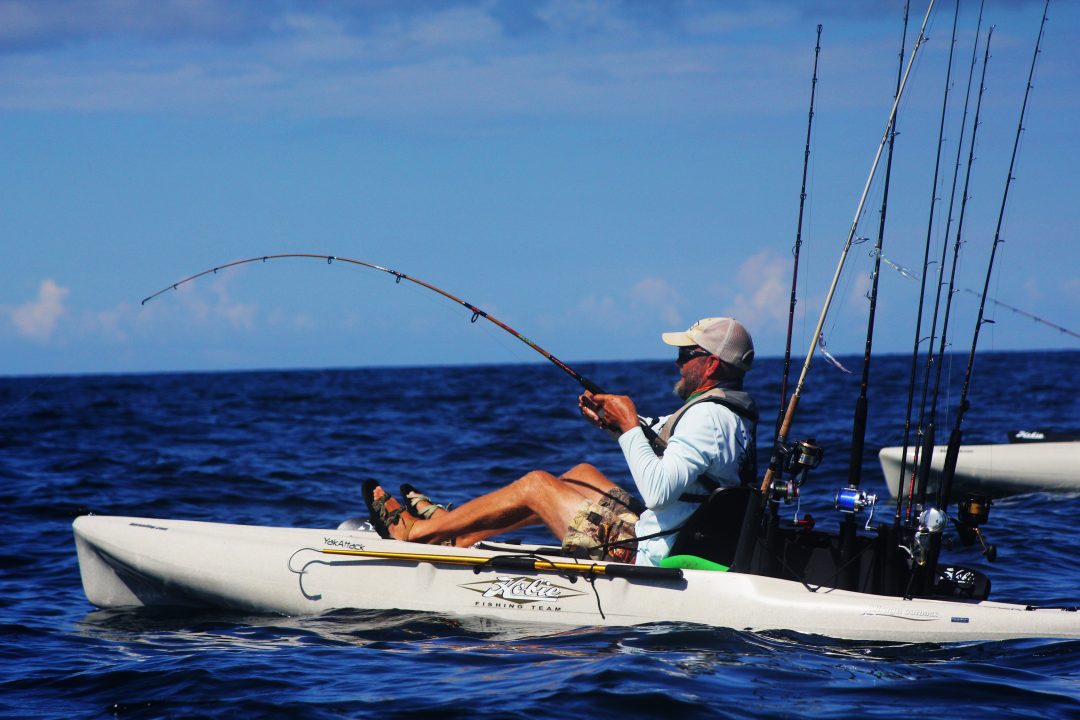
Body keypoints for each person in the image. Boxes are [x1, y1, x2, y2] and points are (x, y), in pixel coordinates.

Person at [363, 316, 758, 567]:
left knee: (537, 485)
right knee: (581, 473)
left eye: (686, 354)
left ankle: (417, 535)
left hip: (650, 552)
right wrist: (617, 424)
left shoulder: (708, 417)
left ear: (710, 363)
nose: (677, 362)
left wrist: (629, 427)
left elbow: (656, 490)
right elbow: (668, 438)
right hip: (675, 529)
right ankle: (461, 534)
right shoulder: (723, 412)